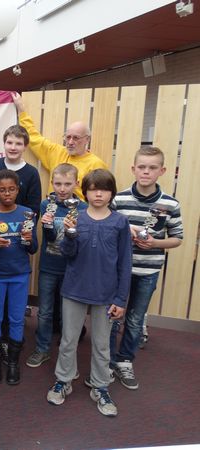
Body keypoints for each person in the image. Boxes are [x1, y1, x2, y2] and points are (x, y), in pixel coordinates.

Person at [47, 169, 132, 417]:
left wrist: (120, 299)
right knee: (68, 340)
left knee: (102, 344)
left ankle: (100, 386)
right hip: (74, 289)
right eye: (93, 189)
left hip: (106, 294)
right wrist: (69, 234)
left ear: (111, 193)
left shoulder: (120, 222)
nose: (98, 194)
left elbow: (125, 263)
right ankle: (63, 380)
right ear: (84, 192)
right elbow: (67, 253)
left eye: (104, 189)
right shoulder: (77, 218)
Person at [109, 146, 183, 390]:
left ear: (162, 171)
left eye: (152, 168)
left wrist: (155, 243)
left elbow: (177, 238)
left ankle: (125, 361)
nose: (146, 172)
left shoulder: (170, 204)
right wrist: (124, 229)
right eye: (141, 167)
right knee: (112, 316)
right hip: (119, 271)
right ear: (133, 169)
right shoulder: (119, 199)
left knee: (134, 318)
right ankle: (107, 360)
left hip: (148, 270)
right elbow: (107, 229)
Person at [0, 170, 38, 385]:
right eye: (2, 190)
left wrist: (28, 239)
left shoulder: (27, 214)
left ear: (18, 190)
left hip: (20, 274)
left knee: (16, 318)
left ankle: (13, 362)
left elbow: (33, 248)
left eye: (11, 189)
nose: (7, 193)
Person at [26, 164, 87, 368]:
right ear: (52, 183)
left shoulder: (83, 208)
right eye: (58, 183)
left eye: (67, 184)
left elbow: (81, 241)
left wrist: (73, 231)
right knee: (44, 311)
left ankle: (65, 352)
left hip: (71, 268)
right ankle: (42, 349)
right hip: (49, 267)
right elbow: (50, 237)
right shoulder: (46, 204)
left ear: (76, 184)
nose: (62, 189)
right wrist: (47, 225)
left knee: (67, 313)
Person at [12, 92, 107, 200]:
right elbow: (33, 137)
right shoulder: (56, 152)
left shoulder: (96, 164)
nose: (70, 142)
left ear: (87, 139)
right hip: (52, 209)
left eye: (76, 138)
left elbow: (101, 197)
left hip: (80, 210)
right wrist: (21, 111)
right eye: (68, 137)